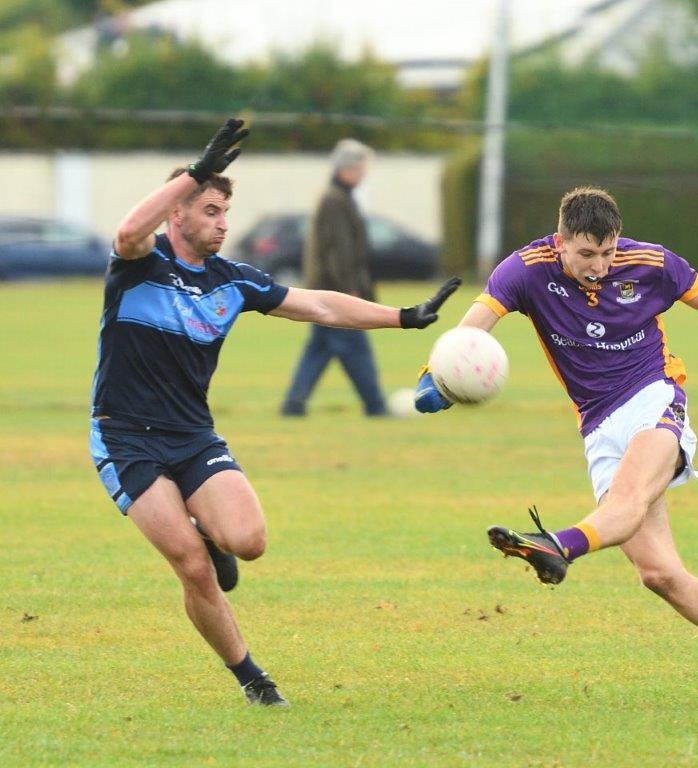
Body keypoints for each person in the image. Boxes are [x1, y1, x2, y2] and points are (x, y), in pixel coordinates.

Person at [89, 119, 460, 706]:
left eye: (225, 212)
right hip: (126, 437)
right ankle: (254, 680)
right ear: (178, 214)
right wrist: (193, 170)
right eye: (211, 210)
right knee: (192, 565)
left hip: (191, 434)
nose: (224, 223)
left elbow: (320, 305)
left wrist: (402, 317)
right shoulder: (140, 263)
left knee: (250, 541)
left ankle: (211, 534)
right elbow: (128, 227)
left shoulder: (231, 281)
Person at [415, 187, 698, 706]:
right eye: (587, 254)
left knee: (627, 502)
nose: (600, 266)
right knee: (659, 574)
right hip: (596, 425)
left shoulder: (652, 263)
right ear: (561, 240)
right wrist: (437, 378)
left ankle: (559, 544)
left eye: (608, 252)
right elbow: (472, 331)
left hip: (655, 397)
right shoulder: (524, 269)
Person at [280, 139, 388, 417]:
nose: (363, 176)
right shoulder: (334, 200)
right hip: (334, 290)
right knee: (355, 349)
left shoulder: (337, 197)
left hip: (325, 289)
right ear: (346, 170)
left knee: (318, 350)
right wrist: (350, 289)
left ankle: (294, 404)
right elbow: (339, 250)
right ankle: (376, 406)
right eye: (361, 170)